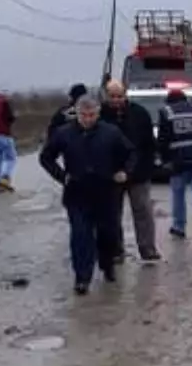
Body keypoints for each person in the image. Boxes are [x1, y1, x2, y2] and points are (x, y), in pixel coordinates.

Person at [39, 93, 132, 294]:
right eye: (84, 115)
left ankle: (107, 265)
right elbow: (46, 157)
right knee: (80, 235)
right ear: (77, 114)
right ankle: (82, 277)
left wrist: (124, 171)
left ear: (98, 113)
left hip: (105, 192)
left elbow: (129, 153)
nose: (87, 119)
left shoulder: (111, 133)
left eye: (91, 115)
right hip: (77, 193)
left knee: (107, 233)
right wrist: (62, 176)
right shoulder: (64, 133)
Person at [101, 79, 160, 262]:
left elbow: (149, 144)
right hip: (110, 174)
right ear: (106, 95)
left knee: (143, 212)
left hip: (139, 173)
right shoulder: (100, 116)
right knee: (111, 214)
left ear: (125, 95)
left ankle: (147, 249)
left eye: (119, 96)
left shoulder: (139, 114)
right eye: (112, 96)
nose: (116, 100)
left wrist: (148, 168)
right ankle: (116, 251)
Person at [158, 84, 192, 245]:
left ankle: (179, 227)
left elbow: (163, 139)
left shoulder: (166, 112)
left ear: (169, 101)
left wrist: (164, 159)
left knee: (178, 195)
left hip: (178, 162)